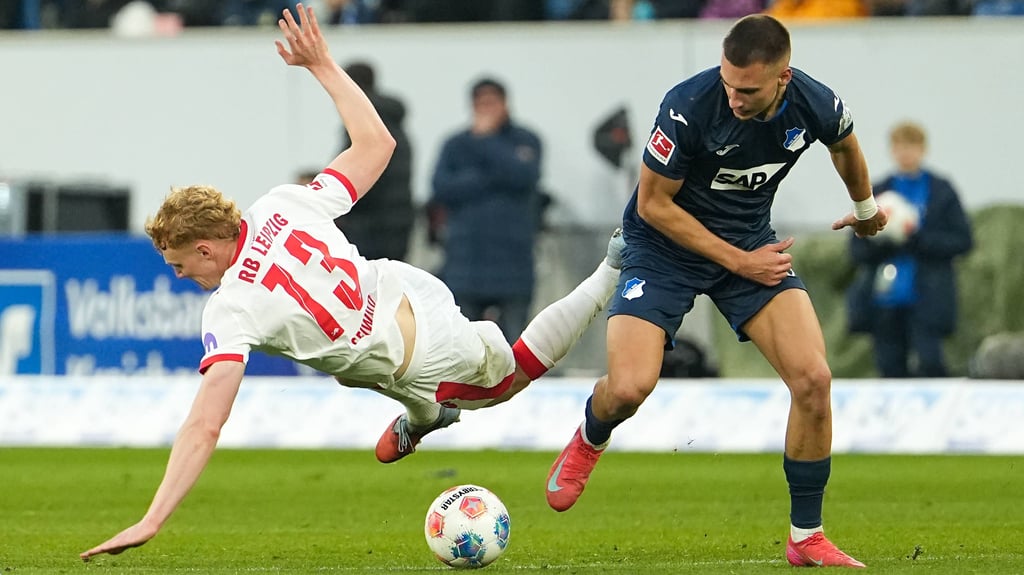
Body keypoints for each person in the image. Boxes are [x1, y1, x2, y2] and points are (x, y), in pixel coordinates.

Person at [79, 4, 623, 560]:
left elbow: (205, 424)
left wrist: (152, 518)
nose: (181, 277)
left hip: (421, 354)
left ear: (204, 248)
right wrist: (322, 65)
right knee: (345, 366)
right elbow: (376, 145)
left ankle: (612, 265)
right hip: (403, 290)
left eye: (179, 265)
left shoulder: (230, 308)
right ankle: (424, 415)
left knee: (507, 382)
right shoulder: (280, 203)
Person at [543, 14, 887, 568]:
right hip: (663, 250)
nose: (734, 98)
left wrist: (866, 208)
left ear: (783, 78)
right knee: (629, 388)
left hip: (747, 245)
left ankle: (806, 536)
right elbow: (653, 205)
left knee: (814, 380)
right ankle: (591, 435)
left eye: (747, 90)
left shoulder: (815, 102)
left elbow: (844, 145)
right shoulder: (688, 105)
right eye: (728, 83)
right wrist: (741, 261)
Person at [847, 121, 973, 378]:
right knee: (889, 368)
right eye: (900, 147)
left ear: (923, 149)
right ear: (892, 150)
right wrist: (884, 240)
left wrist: (916, 239)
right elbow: (856, 249)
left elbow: (963, 241)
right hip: (884, 299)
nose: (906, 153)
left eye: (911, 146)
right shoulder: (877, 191)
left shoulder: (941, 191)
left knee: (930, 363)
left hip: (928, 298)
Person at [429, 77, 544, 343]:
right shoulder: (455, 144)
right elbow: (441, 189)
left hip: (513, 262)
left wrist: (486, 140)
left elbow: (524, 176)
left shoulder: (526, 140)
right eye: (481, 103)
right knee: (462, 343)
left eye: (492, 103)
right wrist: (491, 178)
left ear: (506, 104)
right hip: (465, 261)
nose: (486, 109)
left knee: (515, 345)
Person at [332, 60, 415, 262]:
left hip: (368, 227)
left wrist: (338, 210)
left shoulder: (362, 127)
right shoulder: (393, 125)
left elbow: (352, 176)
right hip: (398, 221)